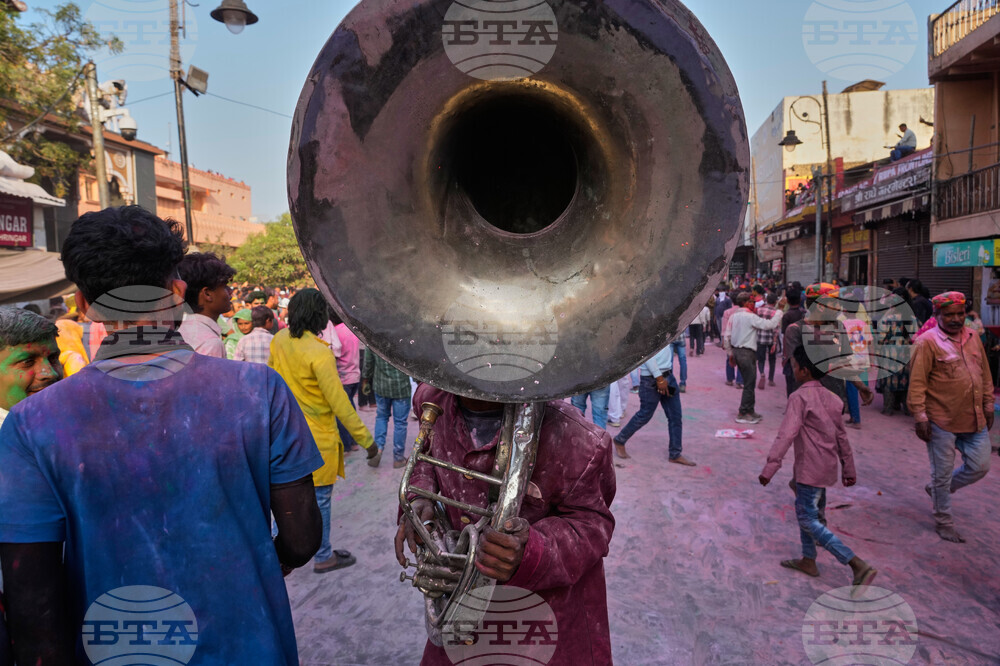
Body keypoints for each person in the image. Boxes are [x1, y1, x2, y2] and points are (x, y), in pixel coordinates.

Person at [0, 206, 324, 663]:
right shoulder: (259, 390)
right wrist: (265, 565)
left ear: (84, 304)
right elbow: (303, 537)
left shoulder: (30, 423)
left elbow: (32, 602)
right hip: (250, 643)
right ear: (177, 292)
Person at [396, 383, 616, 666]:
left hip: (541, 625)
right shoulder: (431, 399)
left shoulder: (579, 438)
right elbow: (426, 454)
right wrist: (418, 497)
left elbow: (592, 525)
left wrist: (533, 552)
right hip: (457, 611)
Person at [269, 289, 378, 572]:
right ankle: (323, 556)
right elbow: (340, 403)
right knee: (319, 502)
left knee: (284, 501)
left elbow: (271, 381)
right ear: (319, 315)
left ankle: (280, 556)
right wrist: (368, 442)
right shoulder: (319, 352)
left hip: (283, 437)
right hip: (316, 442)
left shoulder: (279, 340)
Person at [758, 346, 878, 590]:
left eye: (794, 367)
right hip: (826, 469)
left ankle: (856, 564)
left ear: (803, 371)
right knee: (808, 512)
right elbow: (842, 437)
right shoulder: (833, 399)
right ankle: (808, 560)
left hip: (809, 470)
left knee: (807, 518)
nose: (792, 371)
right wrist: (848, 469)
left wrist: (770, 468)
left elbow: (786, 435)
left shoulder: (799, 398)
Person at [907, 291, 993, 543]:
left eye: (960, 314)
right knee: (941, 475)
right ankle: (943, 521)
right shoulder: (926, 342)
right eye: (949, 315)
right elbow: (917, 384)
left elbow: (985, 374)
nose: (956, 319)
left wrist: (988, 404)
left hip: (974, 417)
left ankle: (937, 490)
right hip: (940, 420)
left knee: (980, 466)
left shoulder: (973, 336)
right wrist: (920, 417)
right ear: (937, 315)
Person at [612, 342, 695, 466]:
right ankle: (620, 439)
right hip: (651, 380)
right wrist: (659, 378)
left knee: (675, 416)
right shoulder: (647, 332)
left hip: (668, 376)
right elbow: (646, 353)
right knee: (645, 414)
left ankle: (675, 454)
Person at [727, 292, 784, 424]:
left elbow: (727, 336)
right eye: (751, 302)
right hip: (746, 352)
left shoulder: (733, 316)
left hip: (738, 351)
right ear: (745, 303)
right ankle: (743, 413)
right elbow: (769, 325)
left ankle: (750, 410)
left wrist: (730, 353)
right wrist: (779, 311)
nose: (753, 304)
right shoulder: (750, 317)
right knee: (749, 384)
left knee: (750, 382)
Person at [177, 252, 236, 358]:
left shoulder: (179, 330)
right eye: (225, 287)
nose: (230, 292)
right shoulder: (210, 343)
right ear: (207, 294)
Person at [362, 347, 412, 468]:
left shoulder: (373, 339)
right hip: (402, 387)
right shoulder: (404, 339)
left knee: (381, 418)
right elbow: (413, 361)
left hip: (381, 387)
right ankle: (398, 458)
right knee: (400, 423)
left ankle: (378, 451)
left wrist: (365, 380)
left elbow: (368, 364)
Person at [755, 292, 780, 390]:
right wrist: (774, 342)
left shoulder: (759, 310)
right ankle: (771, 379)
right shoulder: (776, 313)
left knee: (761, 359)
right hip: (770, 339)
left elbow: (756, 323)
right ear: (775, 302)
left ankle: (762, 373)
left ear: (766, 300)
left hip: (760, 338)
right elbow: (776, 329)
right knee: (772, 360)